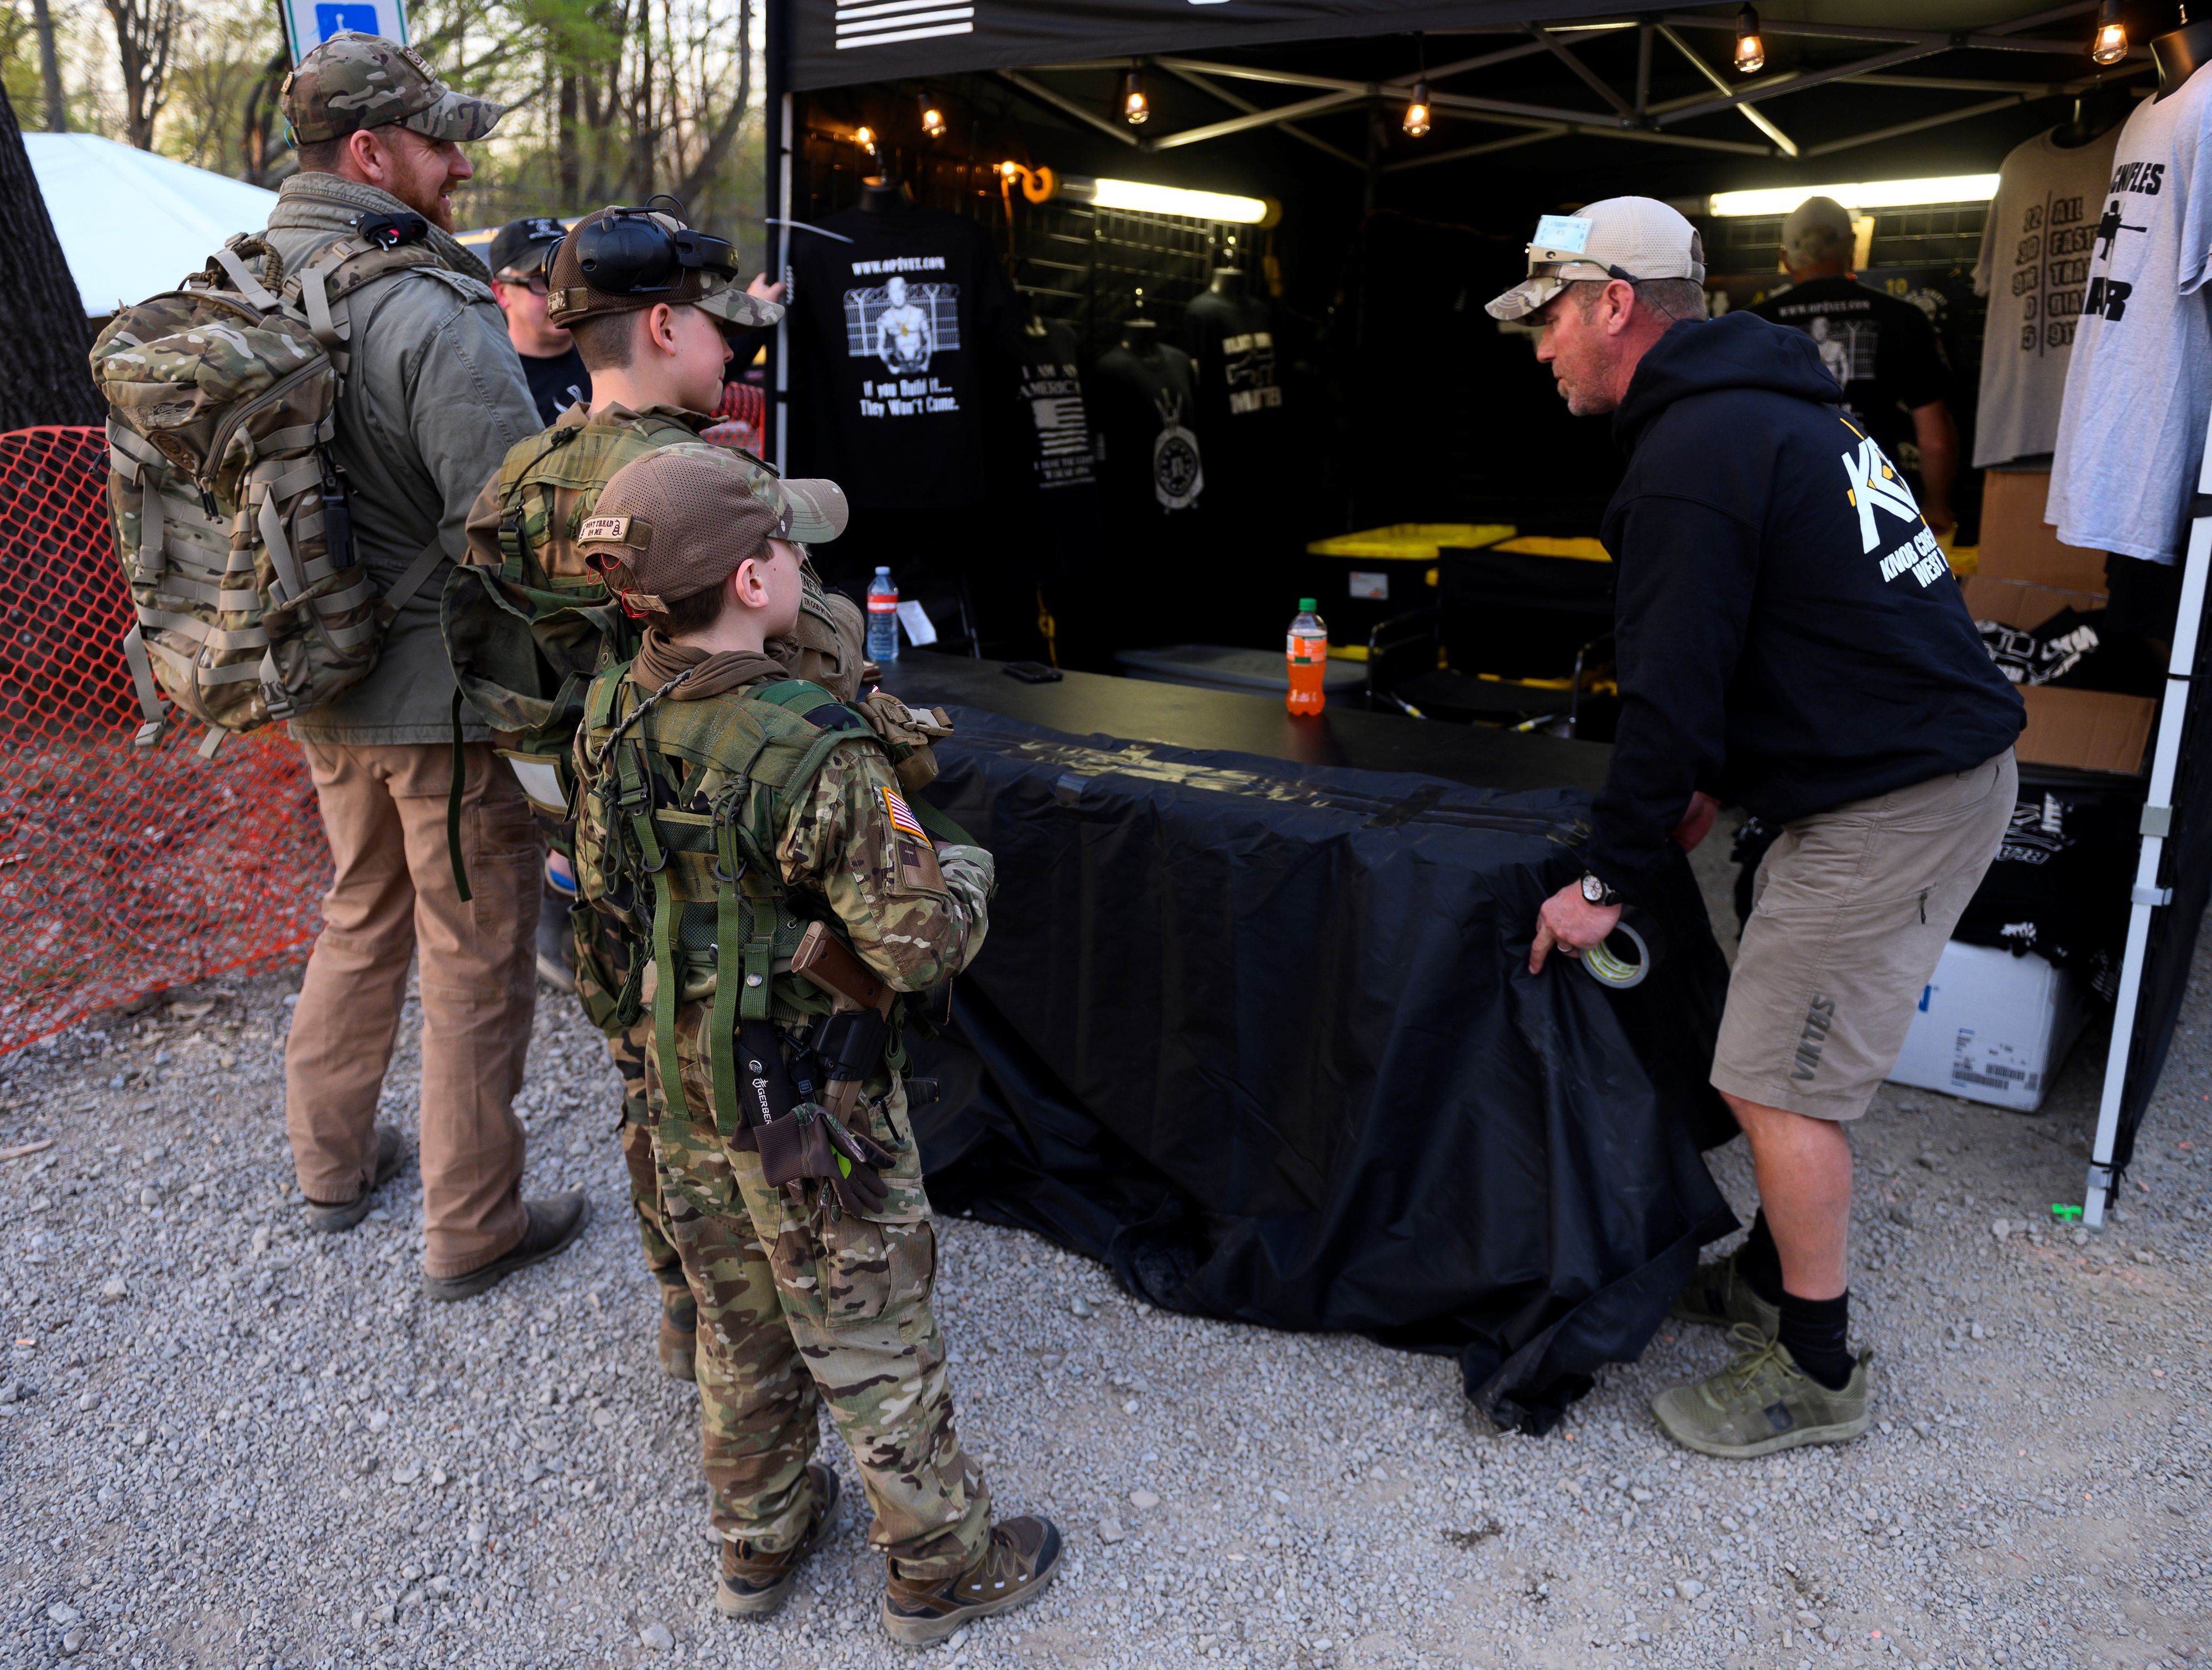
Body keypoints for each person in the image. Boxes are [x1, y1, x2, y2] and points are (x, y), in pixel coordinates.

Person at [1493, 197, 2024, 1456]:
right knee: (1768, 1046)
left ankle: (1817, 1361)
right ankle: (1771, 1277)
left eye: (1550, 318)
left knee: (1775, 1078)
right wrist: (1714, 786)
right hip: (1891, 772)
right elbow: (1787, 634)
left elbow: (1669, 692)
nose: (1540, 348)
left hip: (1894, 799)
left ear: (1613, 303)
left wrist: (1605, 884)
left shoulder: (1692, 453)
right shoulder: (1762, 414)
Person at [568, 441, 1060, 1641]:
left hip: (678, 1082)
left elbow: (601, 904)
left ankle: (758, 1538)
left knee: (736, 1319)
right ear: (749, 582)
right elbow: (919, 950)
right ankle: (940, 1565)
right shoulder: (816, 754)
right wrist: (967, 867)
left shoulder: (610, 705)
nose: (799, 560)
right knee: (866, 1325)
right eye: (784, 545)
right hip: (806, 1100)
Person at [455, 203, 861, 1381]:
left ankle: (687, 1311)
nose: (731, 352)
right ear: (668, 322)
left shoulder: (524, 478)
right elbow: (805, 664)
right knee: (758, 1079)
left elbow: (494, 664)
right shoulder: (703, 482)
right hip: (721, 849)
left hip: (591, 842)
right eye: (720, 328)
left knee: (648, 1079)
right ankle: (789, 1335)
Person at [265, 32, 587, 1298]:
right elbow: (516, 528)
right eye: (440, 141)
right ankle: (473, 1223)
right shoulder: (427, 304)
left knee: (358, 910)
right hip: (437, 699)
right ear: (369, 153)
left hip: (309, 670)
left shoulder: (241, 277)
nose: (461, 163)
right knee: (473, 949)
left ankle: (331, 1165)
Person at [1749, 195, 1962, 534]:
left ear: (1785, 259)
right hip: (1877, 503)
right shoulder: (1902, 317)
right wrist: (1936, 508)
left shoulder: (1754, 326)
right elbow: (1935, 440)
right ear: (1852, 247)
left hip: (1785, 505)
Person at [487, 216, 591, 424]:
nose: (559, 293)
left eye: (567, 275)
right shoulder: (492, 386)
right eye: (541, 280)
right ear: (501, 293)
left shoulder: (611, 357)